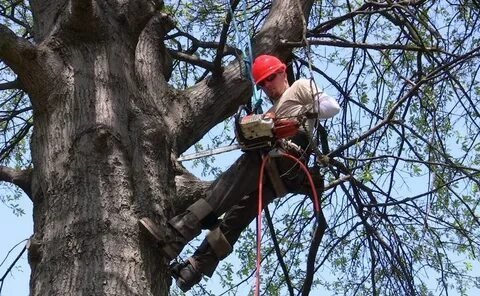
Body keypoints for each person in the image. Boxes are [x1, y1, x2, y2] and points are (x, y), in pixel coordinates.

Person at [139, 54, 340, 292]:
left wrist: (299, 118)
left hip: (286, 159)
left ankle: (176, 234)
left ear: (283, 71)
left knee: (220, 192)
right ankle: (194, 269)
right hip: (276, 177)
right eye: (262, 84)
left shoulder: (300, 87)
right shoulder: (273, 110)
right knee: (236, 217)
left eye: (270, 79)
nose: (266, 87)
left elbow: (331, 106)